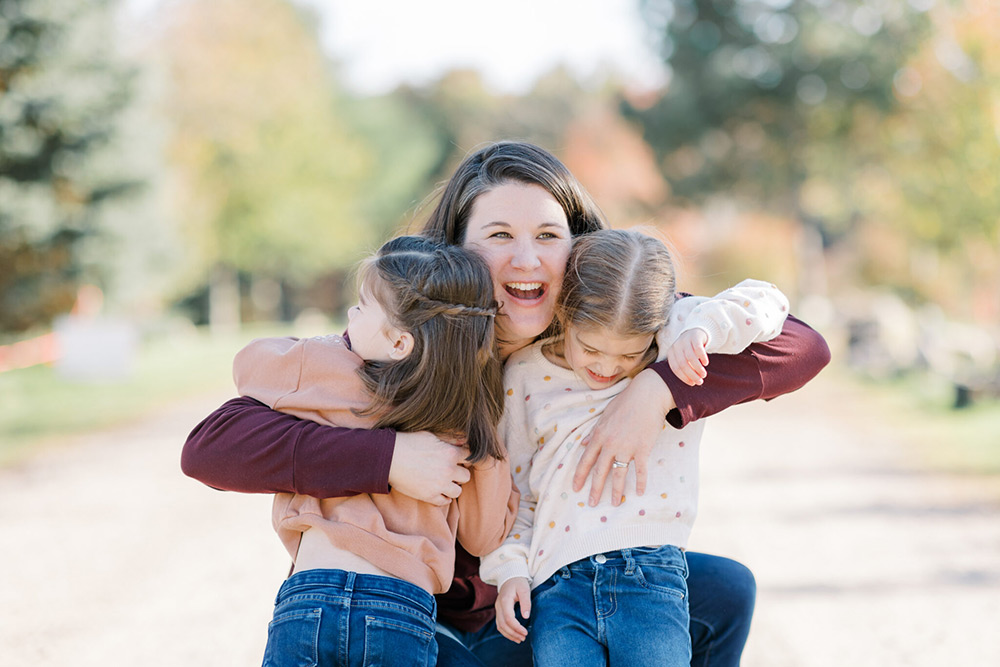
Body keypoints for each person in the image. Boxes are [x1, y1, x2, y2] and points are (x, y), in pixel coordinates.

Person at [181, 141, 831, 667]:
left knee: (723, 590)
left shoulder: (605, 340)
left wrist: (656, 388)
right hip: (421, 625)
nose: (528, 257)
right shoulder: (407, 344)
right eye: (499, 234)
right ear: (457, 250)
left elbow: (800, 343)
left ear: (577, 247)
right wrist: (388, 456)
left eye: (549, 234)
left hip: (546, 598)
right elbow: (216, 443)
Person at [481, 229, 789, 666]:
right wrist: (510, 569)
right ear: (565, 314)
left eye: (629, 355)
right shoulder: (525, 378)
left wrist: (703, 328)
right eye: (590, 348)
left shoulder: (675, 340)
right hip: (556, 589)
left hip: (650, 577)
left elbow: (769, 301)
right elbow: (518, 495)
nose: (607, 367)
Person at [236, 235, 517, 666]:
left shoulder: (326, 371)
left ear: (400, 343)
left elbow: (249, 364)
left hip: (314, 592)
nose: (351, 314)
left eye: (363, 306)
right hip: (401, 609)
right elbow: (482, 535)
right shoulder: (466, 420)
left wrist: (324, 350)